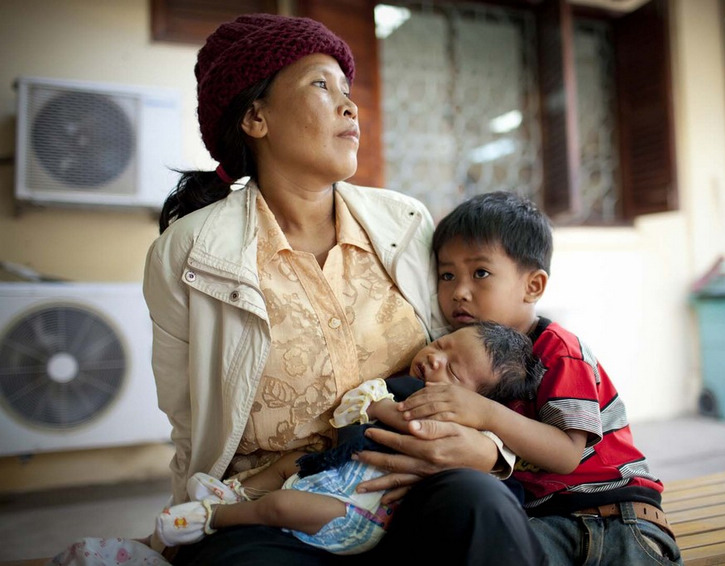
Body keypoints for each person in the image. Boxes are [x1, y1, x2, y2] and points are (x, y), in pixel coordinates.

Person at [141, 13, 545, 566]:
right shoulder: (188, 254)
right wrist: (187, 521)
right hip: (274, 510)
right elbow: (191, 424)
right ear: (255, 117)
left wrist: (489, 450)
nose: (350, 106)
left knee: (483, 506)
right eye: (321, 85)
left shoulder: (404, 222)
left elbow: (469, 354)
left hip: (401, 489)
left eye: (348, 91)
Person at [393, 191, 684, 565]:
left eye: (480, 273)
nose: (458, 292)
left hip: (619, 522)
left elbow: (566, 454)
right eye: (447, 275)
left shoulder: (557, 350)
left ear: (533, 286)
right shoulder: (456, 358)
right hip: (546, 524)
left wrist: (483, 412)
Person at [154, 322, 543, 556]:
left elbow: (496, 468)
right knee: (293, 463)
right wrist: (391, 410)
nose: (435, 358)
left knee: (284, 505)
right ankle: (234, 492)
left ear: (478, 401)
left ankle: (211, 518)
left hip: (361, 512)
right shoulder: (394, 391)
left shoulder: (477, 432)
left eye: (454, 372)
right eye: (441, 345)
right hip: (336, 469)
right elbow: (349, 407)